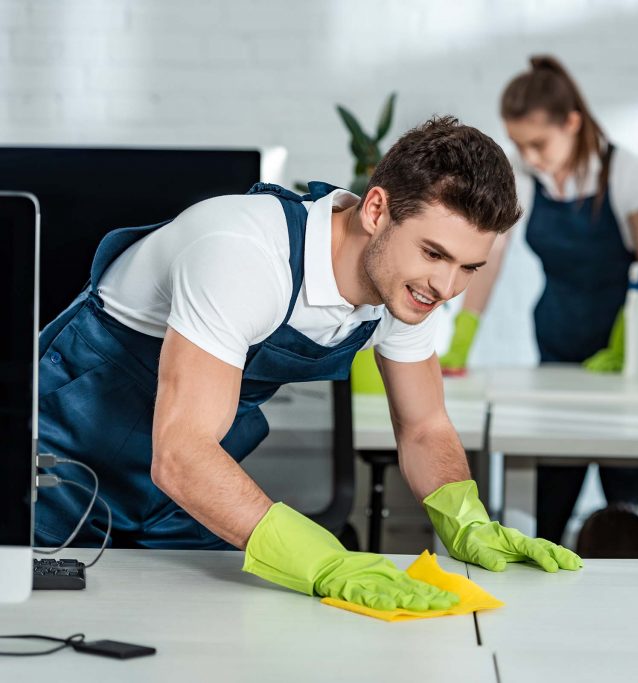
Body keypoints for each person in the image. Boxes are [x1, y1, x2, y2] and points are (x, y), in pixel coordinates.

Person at [35, 116, 582, 612]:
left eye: (469, 266)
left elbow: (424, 426)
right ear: (375, 210)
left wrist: (464, 518)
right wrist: (322, 561)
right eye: (434, 254)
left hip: (172, 498)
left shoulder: (407, 290)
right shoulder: (243, 253)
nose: (447, 286)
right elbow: (180, 454)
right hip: (52, 474)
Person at [440, 56, 638, 549]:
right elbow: (492, 254)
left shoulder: (628, 172)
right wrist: (463, 336)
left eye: (537, 143)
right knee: (553, 498)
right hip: (559, 345)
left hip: (630, 356)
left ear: (571, 123)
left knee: (631, 514)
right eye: (519, 143)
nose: (528, 154)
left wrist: (626, 338)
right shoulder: (526, 176)